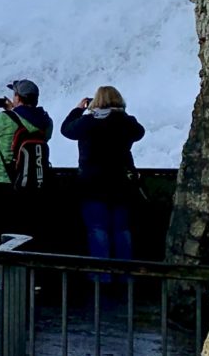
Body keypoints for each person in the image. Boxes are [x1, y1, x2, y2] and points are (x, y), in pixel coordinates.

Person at [61, 86, 147, 270]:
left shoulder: (87, 122)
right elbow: (139, 133)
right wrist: (120, 114)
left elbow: (66, 130)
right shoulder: (126, 122)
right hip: (120, 185)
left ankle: (101, 277)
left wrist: (78, 109)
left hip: (91, 186)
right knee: (122, 230)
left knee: (97, 231)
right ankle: (125, 275)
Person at [0, 80, 53, 260]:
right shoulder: (46, 121)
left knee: (4, 230)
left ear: (17, 97)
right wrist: (14, 112)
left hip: (3, 182)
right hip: (34, 181)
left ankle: (4, 278)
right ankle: (33, 278)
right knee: (29, 228)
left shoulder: (6, 119)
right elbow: (42, 137)